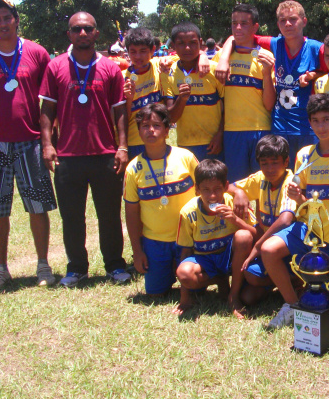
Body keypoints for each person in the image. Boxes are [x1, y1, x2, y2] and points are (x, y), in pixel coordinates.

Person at [0, 0, 58, 290]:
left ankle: (43, 265)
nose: (3, 23)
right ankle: (1, 268)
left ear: (16, 20)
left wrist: (51, 139)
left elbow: (51, 100)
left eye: (7, 17)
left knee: (37, 206)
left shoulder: (36, 52)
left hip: (30, 141)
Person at [39, 11, 131, 287]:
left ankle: (115, 265)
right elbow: (47, 109)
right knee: (71, 217)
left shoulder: (111, 68)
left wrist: (123, 145)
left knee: (110, 215)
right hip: (68, 156)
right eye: (76, 29)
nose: (82, 33)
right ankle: (76, 268)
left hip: (105, 154)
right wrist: (47, 144)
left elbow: (120, 112)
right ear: (69, 34)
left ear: (96, 33)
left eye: (87, 29)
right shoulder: (55, 67)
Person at [260, 94, 329, 328]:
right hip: (308, 232)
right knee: (268, 249)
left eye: (326, 120)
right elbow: (302, 204)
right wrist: (298, 198)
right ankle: (291, 304)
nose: (321, 126)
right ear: (309, 122)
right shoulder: (304, 155)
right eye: (316, 121)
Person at [215, 0, 329, 165]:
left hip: (308, 127)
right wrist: (223, 58)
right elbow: (237, 36)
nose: (288, 24)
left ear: (304, 21)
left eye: (293, 19)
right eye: (283, 20)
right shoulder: (273, 44)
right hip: (280, 126)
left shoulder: (316, 48)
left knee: (306, 179)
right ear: (278, 24)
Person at [123, 103, 198, 296]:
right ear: (138, 131)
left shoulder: (185, 157)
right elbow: (131, 213)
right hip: (155, 242)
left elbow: (205, 194)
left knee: (197, 288)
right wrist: (138, 252)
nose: (151, 130)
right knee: (155, 294)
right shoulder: (133, 169)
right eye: (145, 126)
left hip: (188, 238)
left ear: (167, 130)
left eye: (156, 125)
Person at [175, 159, 257, 315]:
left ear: (226, 187)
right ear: (197, 189)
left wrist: (235, 219)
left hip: (230, 257)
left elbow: (256, 236)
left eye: (217, 189)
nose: (212, 195)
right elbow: (185, 252)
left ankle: (233, 296)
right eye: (206, 189)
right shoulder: (188, 212)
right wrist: (184, 297)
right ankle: (220, 279)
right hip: (204, 259)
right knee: (184, 273)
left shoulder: (235, 204)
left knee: (244, 236)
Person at [237, 135, 299, 316]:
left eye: (275, 163)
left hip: (290, 249)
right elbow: (230, 187)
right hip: (269, 247)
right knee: (248, 295)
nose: (270, 169)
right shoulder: (260, 178)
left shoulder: (291, 182)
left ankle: (294, 283)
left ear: (286, 161)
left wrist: (258, 245)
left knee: (252, 274)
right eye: (264, 163)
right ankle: (286, 283)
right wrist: (240, 192)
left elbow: (286, 219)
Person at [214, 4, 275, 182]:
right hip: (232, 131)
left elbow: (269, 104)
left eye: (244, 23)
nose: (238, 28)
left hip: (260, 129)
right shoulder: (222, 58)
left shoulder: (265, 56)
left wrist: (266, 73)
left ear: (255, 27)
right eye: (234, 23)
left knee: (263, 186)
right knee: (237, 187)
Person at [160, 22, 225, 162]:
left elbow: (228, 106)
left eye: (193, 42)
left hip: (214, 143)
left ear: (201, 43)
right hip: (185, 145)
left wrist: (220, 135)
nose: (187, 48)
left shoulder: (213, 70)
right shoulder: (167, 72)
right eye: (181, 43)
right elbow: (171, 117)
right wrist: (182, 100)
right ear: (173, 46)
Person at [122, 28, 162, 158]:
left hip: (159, 141)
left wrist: (203, 57)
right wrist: (128, 100)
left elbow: (192, 54)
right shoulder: (121, 78)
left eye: (143, 51)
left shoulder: (159, 67)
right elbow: (121, 119)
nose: (138, 56)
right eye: (133, 52)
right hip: (134, 143)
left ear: (153, 50)